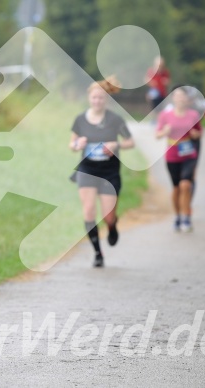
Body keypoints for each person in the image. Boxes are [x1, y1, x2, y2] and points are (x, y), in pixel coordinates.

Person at [69, 76, 135, 268]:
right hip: (87, 169)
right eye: (94, 98)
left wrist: (117, 145)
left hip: (109, 171)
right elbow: (71, 144)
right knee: (89, 210)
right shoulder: (80, 119)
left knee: (108, 215)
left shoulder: (115, 120)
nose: (97, 101)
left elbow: (130, 142)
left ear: (107, 100)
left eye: (101, 98)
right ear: (89, 98)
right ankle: (98, 252)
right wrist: (77, 144)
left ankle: (112, 225)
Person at [155, 86, 202, 232]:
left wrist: (195, 134)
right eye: (177, 96)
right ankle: (178, 216)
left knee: (185, 185)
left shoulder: (193, 115)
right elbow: (157, 135)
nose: (180, 99)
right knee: (176, 188)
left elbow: (199, 133)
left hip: (189, 154)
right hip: (172, 154)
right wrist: (164, 131)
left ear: (187, 100)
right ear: (173, 98)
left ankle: (186, 216)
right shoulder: (165, 115)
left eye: (183, 96)